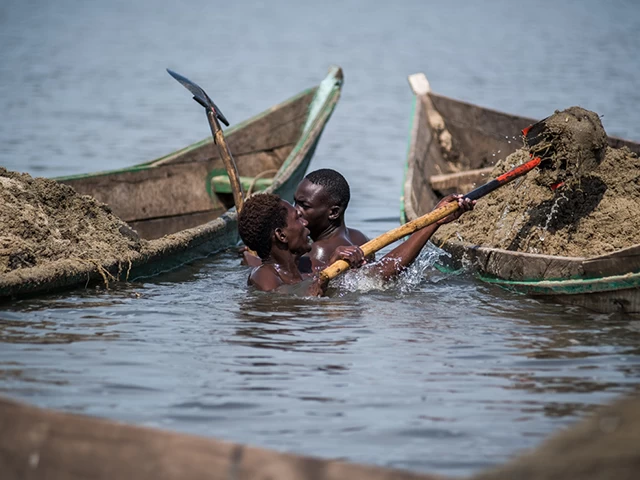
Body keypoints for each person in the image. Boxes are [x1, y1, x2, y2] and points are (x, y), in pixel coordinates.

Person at [238, 192, 474, 295]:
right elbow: (292, 303)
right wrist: (328, 276)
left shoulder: (308, 267)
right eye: (297, 218)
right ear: (281, 235)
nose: (305, 221)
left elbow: (383, 271)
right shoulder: (263, 276)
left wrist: (432, 221)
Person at [241, 169, 369, 271]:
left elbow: (285, 272)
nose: (296, 211)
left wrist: (253, 260)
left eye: (304, 206)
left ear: (334, 212)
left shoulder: (317, 251)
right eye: (295, 202)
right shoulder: (360, 237)